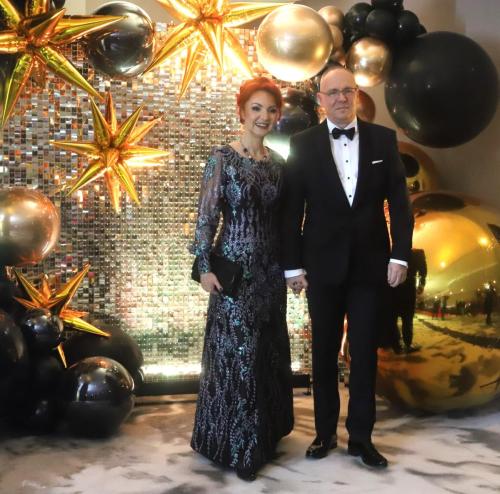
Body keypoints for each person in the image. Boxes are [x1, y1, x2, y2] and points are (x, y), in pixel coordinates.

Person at [281, 64, 413, 469]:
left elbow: (400, 204)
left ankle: (361, 437)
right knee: (323, 352)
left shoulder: (383, 139)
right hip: (321, 266)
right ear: (320, 100)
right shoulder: (302, 144)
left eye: (347, 91)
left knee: (365, 354)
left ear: (356, 94)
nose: (341, 98)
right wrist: (292, 267)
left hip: (371, 266)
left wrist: (400, 254)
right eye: (333, 92)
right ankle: (324, 433)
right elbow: (291, 211)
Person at [190, 77, 293, 481]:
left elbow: (285, 224)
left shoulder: (278, 165)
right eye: (256, 108)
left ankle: (264, 436)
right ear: (242, 111)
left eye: (271, 109)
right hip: (234, 273)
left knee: (267, 352)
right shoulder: (222, 159)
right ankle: (238, 448)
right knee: (239, 356)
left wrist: (292, 269)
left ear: (277, 115)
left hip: (270, 272)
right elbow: (206, 216)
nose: (264, 116)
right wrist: (204, 267)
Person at [390, 248, 427, 354]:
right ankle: (407, 344)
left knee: (392, 318)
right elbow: (423, 270)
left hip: (392, 286)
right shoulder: (418, 253)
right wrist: (421, 284)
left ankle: (396, 345)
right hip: (408, 286)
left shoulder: (392, 252)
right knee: (407, 317)